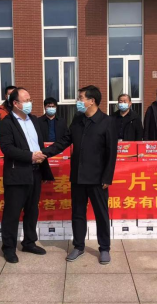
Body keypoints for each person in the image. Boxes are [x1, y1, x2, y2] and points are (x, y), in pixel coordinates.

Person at [43, 86, 117, 265]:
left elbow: (111, 152)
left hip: (98, 178)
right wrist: (44, 153)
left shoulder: (107, 122)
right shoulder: (77, 120)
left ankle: (104, 248)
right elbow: (64, 141)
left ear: (92, 101)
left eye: (81, 98)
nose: (78, 101)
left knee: (101, 214)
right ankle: (78, 246)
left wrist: (107, 177)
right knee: (78, 213)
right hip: (77, 176)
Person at [0, 88, 54, 263]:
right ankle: (8, 248)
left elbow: (39, 144)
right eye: (26, 100)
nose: (30, 103)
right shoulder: (6, 123)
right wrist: (30, 156)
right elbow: (7, 148)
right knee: (12, 212)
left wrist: (43, 167)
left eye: (30, 99)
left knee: (32, 209)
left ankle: (29, 242)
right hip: (17, 173)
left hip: (35, 172)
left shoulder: (34, 120)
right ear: (16, 103)